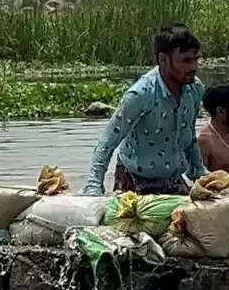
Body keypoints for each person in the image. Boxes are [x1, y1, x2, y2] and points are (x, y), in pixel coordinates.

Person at [84, 24, 204, 195]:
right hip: (135, 180)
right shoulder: (140, 95)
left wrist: (199, 171)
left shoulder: (195, 89)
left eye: (196, 59)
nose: (194, 67)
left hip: (173, 178)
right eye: (186, 61)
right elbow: (107, 143)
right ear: (163, 59)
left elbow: (189, 135)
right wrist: (94, 186)